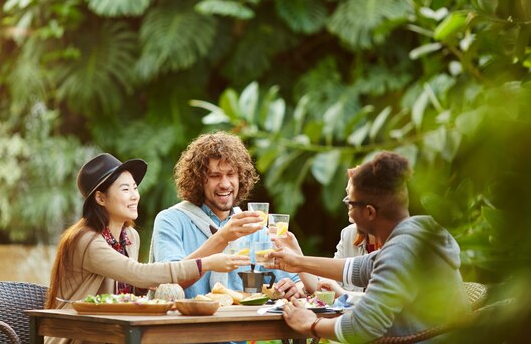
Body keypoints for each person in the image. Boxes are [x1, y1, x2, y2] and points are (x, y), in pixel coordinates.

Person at [45, 153, 249, 342]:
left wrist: (148, 287)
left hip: (115, 335)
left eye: (135, 188)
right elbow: (138, 273)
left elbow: (132, 287)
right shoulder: (86, 240)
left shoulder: (130, 237)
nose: (135, 196)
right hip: (78, 336)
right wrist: (206, 263)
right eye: (125, 189)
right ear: (100, 198)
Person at [270, 151, 471, 343]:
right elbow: (359, 267)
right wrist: (297, 261)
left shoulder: (402, 249)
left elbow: (363, 327)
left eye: (350, 202)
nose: (347, 206)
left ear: (369, 212)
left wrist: (310, 324)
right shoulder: (413, 235)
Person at [150, 131, 303, 299]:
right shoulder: (171, 220)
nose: (224, 184)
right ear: (198, 180)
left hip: (243, 323)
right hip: (188, 322)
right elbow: (168, 285)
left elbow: (296, 281)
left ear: (240, 177)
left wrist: (292, 287)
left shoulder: (253, 227)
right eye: (214, 176)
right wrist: (223, 237)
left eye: (230, 174)